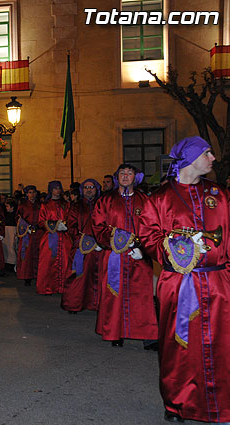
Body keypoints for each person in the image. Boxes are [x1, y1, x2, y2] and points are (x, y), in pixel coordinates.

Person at [139, 136, 230, 423]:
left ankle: (221, 405)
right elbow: (148, 236)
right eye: (207, 153)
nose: (213, 159)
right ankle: (177, 403)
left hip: (218, 282)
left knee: (222, 345)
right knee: (179, 347)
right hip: (179, 284)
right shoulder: (160, 197)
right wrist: (179, 250)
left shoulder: (220, 193)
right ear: (190, 158)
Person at [92, 164, 157, 347]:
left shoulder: (145, 200)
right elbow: (98, 226)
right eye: (122, 173)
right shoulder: (105, 200)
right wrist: (116, 241)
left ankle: (149, 336)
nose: (126, 176)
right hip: (114, 255)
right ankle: (115, 332)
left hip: (138, 255)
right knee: (114, 294)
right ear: (116, 177)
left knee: (143, 295)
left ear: (135, 177)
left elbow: (152, 226)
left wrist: (143, 248)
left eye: (130, 173)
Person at [61, 179, 102, 313]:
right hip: (80, 246)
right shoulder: (76, 206)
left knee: (98, 275)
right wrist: (82, 239)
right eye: (86, 187)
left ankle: (97, 304)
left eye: (92, 187)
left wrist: (102, 240)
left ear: (96, 189)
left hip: (100, 247)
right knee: (77, 275)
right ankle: (73, 304)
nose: (89, 190)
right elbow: (71, 226)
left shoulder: (102, 205)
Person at [36, 181, 72, 294]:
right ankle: (47, 287)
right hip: (50, 237)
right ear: (51, 190)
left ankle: (63, 287)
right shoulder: (45, 205)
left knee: (65, 261)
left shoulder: (66, 204)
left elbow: (70, 217)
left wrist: (65, 225)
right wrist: (55, 225)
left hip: (64, 238)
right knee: (47, 262)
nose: (58, 190)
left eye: (59, 188)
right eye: (55, 188)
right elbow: (41, 222)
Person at [15, 185, 40, 286]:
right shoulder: (23, 206)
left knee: (39, 253)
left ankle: (38, 275)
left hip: (38, 233)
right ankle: (27, 276)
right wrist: (26, 227)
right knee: (27, 255)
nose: (32, 194)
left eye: (33, 192)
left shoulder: (40, 205)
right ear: (27, 194)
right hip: (27, 234)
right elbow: (18, 218)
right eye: (30, 192)